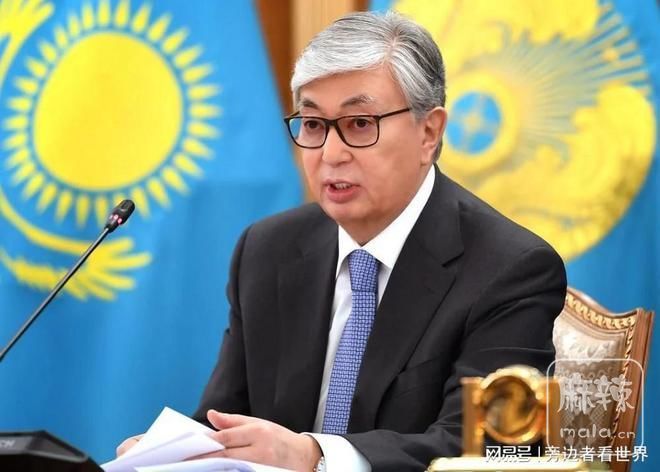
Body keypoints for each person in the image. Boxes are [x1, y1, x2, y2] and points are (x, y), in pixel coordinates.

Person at [118, 11, 567, 471]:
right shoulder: (268, 250)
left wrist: (316, 457)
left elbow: (488, 449)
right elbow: (225, 421)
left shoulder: (510, 269)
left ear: (429, 132)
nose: (331, 154)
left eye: (360, 123)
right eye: (313, 125)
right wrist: (173, 452)